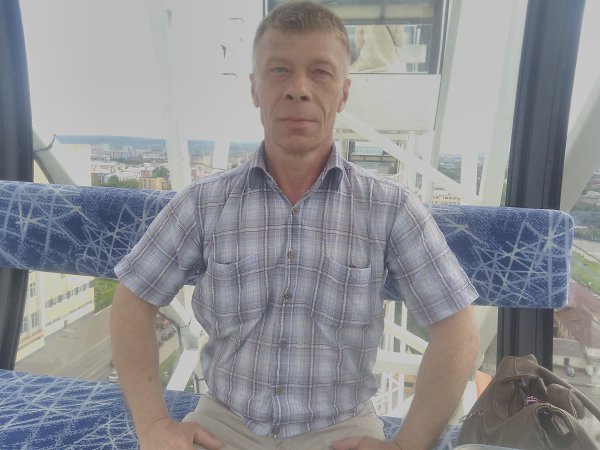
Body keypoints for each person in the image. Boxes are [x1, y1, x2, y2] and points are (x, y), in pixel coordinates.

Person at [110, 2, 480, 450]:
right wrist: (153, 425)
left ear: (343, 93)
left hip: (342, 430)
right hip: (223, 423)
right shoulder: (204, 203)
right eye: (279, 70)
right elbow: (133, 299)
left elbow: (457, 329)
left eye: (320, 73)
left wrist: (407, 445)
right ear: (255, 88)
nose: (298, 90)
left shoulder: (390, 208)